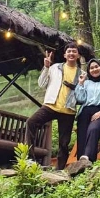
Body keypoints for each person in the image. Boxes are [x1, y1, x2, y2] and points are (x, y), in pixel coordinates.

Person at [26, 42, 82, 170]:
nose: (71, 53)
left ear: (78, 55)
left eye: (74, 51)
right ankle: (30, 158)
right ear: (64, 55)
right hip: (50, 105)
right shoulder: (55, 67)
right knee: (31, 122)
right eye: (69, 51)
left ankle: (60, 169)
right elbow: (41, 83)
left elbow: (83, 95)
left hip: (69, 110)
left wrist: (78, 86)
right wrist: (46, 67)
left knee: (64, 142)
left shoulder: (82, 74)